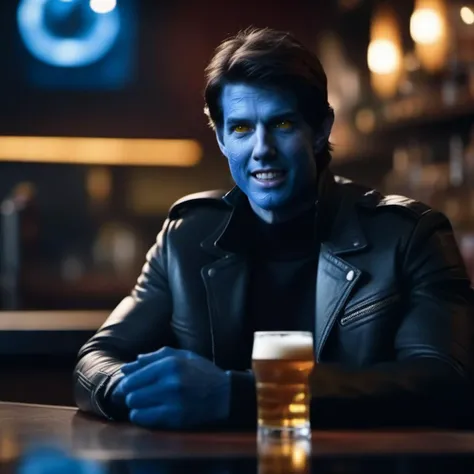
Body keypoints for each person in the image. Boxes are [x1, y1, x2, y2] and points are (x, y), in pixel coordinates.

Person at [74, 27, 474, 429]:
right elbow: (95, 362)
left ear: (320, 130)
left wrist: (242, 396)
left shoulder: (410, 235)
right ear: (222, 139)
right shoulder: (187, 235)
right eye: (242, 129)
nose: (261, 149)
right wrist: (140, 391)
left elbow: (442, 384)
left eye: (281, 125)